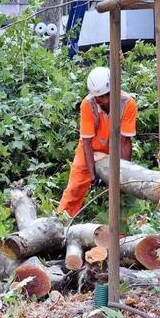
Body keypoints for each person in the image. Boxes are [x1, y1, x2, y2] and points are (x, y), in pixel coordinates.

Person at [57, 66, 138, 218]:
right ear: (95, 96)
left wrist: (124, 171)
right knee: (74, 188)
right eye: (101, 97)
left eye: (108, 95)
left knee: (121, 196)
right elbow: (86, 143)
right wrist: (94, 175)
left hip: (113, 149)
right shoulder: (88, 105)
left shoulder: (127, 104)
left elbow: (125, 141)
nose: (106, 100)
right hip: (90, 149)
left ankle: (120, 231)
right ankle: (60, 221)